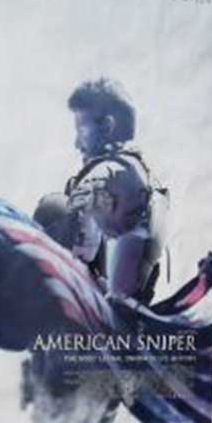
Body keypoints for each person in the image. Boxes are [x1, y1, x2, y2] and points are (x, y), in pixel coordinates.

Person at [61, 76, 169, 304]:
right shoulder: (144, 175)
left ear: (107, 126)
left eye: (81, 130)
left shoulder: (107, 172)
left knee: (51, 207)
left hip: (111, 306)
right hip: (131, 302)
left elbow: (79, 247)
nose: (76, 144)